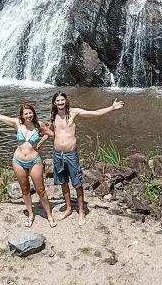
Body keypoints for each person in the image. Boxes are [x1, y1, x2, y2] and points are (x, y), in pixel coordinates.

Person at [0, 100, 56, 228]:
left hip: (35, 161)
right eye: (26, 113)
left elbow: (52, 134)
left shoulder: (39, 125)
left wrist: (39, 144)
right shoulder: (17, 124)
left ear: (33, 113)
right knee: (25, 190)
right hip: (18, 161)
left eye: (30, 112)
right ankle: (31, 214)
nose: (28, 115)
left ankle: (49, 215)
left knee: (41, 190)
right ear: (22, 115)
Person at [50, 91, 124, 226]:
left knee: (77, 183)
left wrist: (111, 108)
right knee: (63, 183)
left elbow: (94, 113)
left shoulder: (74, 112)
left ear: (66, 100)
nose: (60, 103)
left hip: (71, 154)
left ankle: (81, 211)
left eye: (62, 100)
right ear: (54, 103)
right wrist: (38, 144)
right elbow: (50, 132)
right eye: (58, 101)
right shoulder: (53, 115)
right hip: (57, 154)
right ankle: (68, 209)